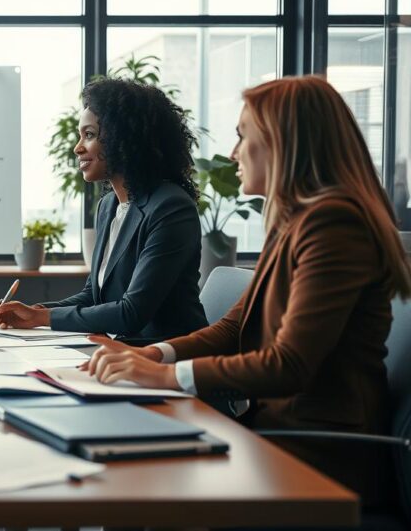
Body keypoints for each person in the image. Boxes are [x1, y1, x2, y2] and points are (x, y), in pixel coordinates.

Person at [83, 75, 411, 506]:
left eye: (243, 137)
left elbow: (289, 364)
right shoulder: (297, 222)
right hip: (277, 437)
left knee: (136, 479)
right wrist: (152, 354)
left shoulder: (334, 226)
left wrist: (167, 376)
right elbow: (235, 328)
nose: (234, 153)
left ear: (282, 143)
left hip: (319, 457)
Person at [0, 78, 207, 342]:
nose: (77, 147)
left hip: (166, 358)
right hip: (118, 350)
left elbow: (132, 313)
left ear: (123, 137)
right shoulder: (109, 206)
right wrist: (34, 312)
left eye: (89, 135)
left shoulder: (170, 208)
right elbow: (93, 295)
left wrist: (42, 319)